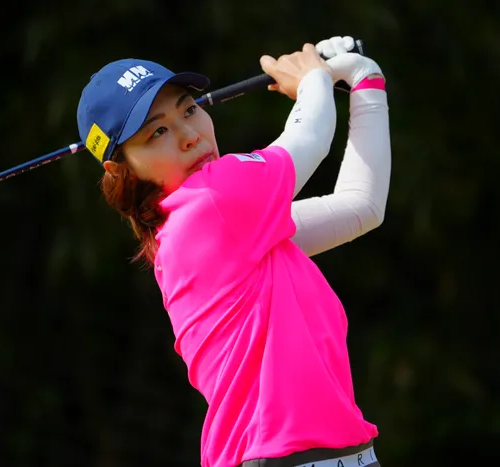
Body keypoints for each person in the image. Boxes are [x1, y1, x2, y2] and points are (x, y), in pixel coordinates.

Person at [76, 35, 391, 467]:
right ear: (122, 169)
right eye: (158, 132)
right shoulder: (212, 202)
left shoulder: (230, 230)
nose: (190, 136)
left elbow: (361, 207)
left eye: (189, 109)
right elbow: (311, 136)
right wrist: (313, 78)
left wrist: (365, 80)